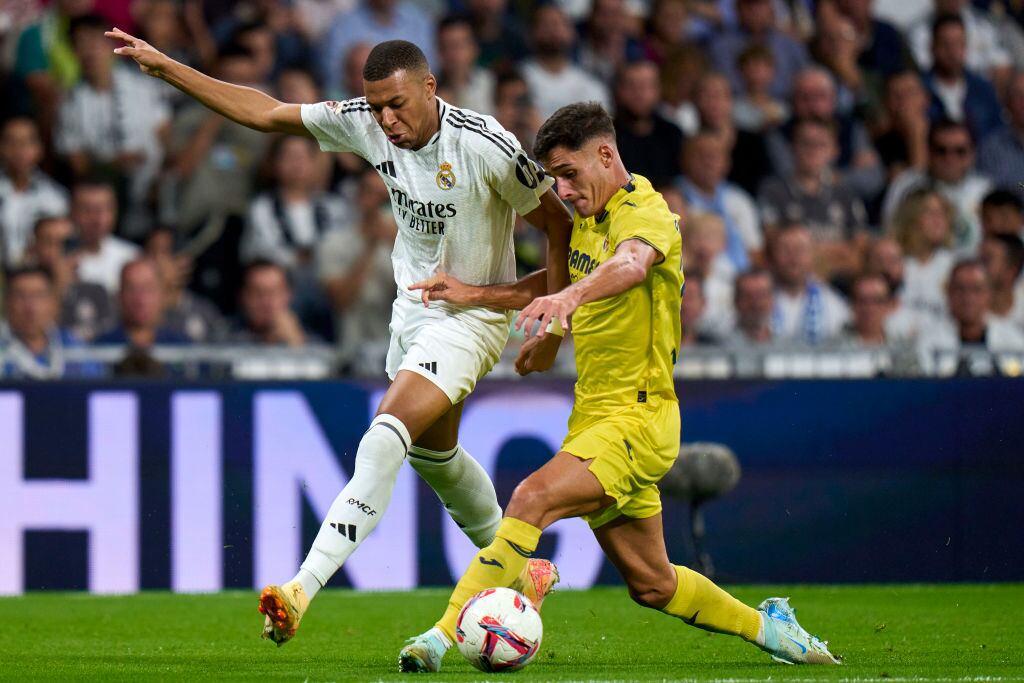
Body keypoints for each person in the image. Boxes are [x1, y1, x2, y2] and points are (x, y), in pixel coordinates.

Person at [107, 33, 573, 643]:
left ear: (431, 88)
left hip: (469, 320)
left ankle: (300, 589)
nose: (386, 119)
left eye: (398, 104)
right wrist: (168, 67)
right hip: (411, 313)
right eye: (375, 105)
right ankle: (521, 568)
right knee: (435, 456)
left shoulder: (485, 147)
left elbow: (559, 227)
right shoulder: (368, 125)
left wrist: (553, 323)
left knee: (386, 435)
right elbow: (265, 111)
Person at [399, 102, 840, 672]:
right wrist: (475, 293)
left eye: (569, 174)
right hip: (595, 417)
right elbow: (564, 278)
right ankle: (769, 627)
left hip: (637, 420)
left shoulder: (648, 213)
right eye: (555, 178)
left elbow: (629, 265)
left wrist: (566, 301)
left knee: (531, 498)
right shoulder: (589, 216)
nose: (563, 189)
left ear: (605, 155)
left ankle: (438, 637)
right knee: (652, 584)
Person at [917, 259, 1024, 375]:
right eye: (960, 289)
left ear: (989, 294)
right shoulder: (929, 341)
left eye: (976, 290)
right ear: (948, 293)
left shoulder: (1013, 340)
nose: (968, 298)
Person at [23, 215, 115, 342]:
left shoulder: (97, 292)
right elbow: (36, 336)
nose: (59, 250)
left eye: (67, 243)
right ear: (34, 247)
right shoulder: (20, 291)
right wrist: (59, 286)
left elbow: (108, 338)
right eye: (49, 242)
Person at [0, 265, 101, 379]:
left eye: (38, 296)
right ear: (7, 302)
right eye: (21, 296)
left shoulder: (72, 345)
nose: (30, 308)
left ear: (53, 303)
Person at [0, 117, 69, 266]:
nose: (19, 150)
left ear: (39, 149)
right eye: (11, 142)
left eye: (26, 142)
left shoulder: (55, 197)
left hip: (37, 278)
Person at [768, 223, 851, 344]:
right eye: (785, 249)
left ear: (812, 255)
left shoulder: (833, 304)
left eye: (800, 249)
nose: (793, 256)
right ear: (772, 255)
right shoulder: (755, 299)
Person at [94, 258, 190, 347]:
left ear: (162, 294)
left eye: (148, 289)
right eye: (131, 289)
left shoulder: (184, 350)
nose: (140, 299)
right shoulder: (99, 350)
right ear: (119, 295)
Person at [69, 177, 140, 294]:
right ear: (72, 212)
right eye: (88, 210)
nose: (97, 219)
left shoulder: (132, 257)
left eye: (105, 209)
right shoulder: (58, 259)